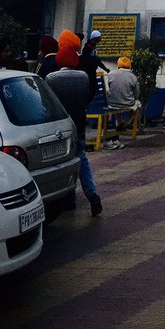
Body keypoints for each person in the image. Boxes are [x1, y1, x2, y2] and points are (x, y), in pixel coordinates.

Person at [46, 45, 102, 216]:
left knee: (61, 161)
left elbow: (48, 103)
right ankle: (92, 194)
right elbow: (86, 96)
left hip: (60, 126)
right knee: (81, 158)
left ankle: (68, 197)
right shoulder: (83, 76)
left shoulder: (51, 78)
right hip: (78, 124)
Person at [78, 29, 110, 94]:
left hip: (92, 71)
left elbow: (97, 60)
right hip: (88, 73)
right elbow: (87, 60)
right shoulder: (86, 49)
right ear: (95, 38)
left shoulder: (94, 48)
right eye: (99, 37)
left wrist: (105, 68)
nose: (100, 38)